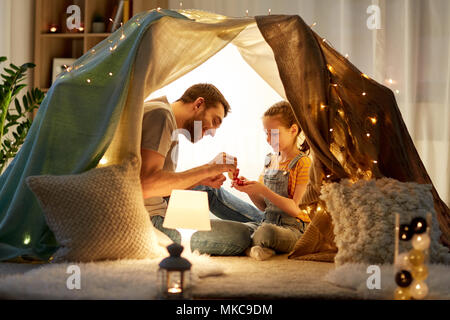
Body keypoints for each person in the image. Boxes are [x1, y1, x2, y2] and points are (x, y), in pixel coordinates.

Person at [140, 83, 263, 255]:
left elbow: (156, 186)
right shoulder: (161, 116)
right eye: (214, 121)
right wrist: (207, 169)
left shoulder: (163, 116)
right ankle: (268, 229)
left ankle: (267, 224)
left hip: (158, 205)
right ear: (198, 104)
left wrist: (202, 178)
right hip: (150, 220)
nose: (212, 132)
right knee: (240, 235)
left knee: (204, 187)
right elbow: (146, 185)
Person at [232, 101, 312, 260]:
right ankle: (258, 245)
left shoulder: (303, 163)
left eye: (273, 133)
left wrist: (263, 190)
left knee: (266, 233)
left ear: (293, 130)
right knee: (236, 231)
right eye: (266, 133)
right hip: (266, 221)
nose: (269, 139)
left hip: (292, 229)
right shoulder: (269, 160)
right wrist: (249, 190)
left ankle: (253, 245)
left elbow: (297, 210)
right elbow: (263, 206)